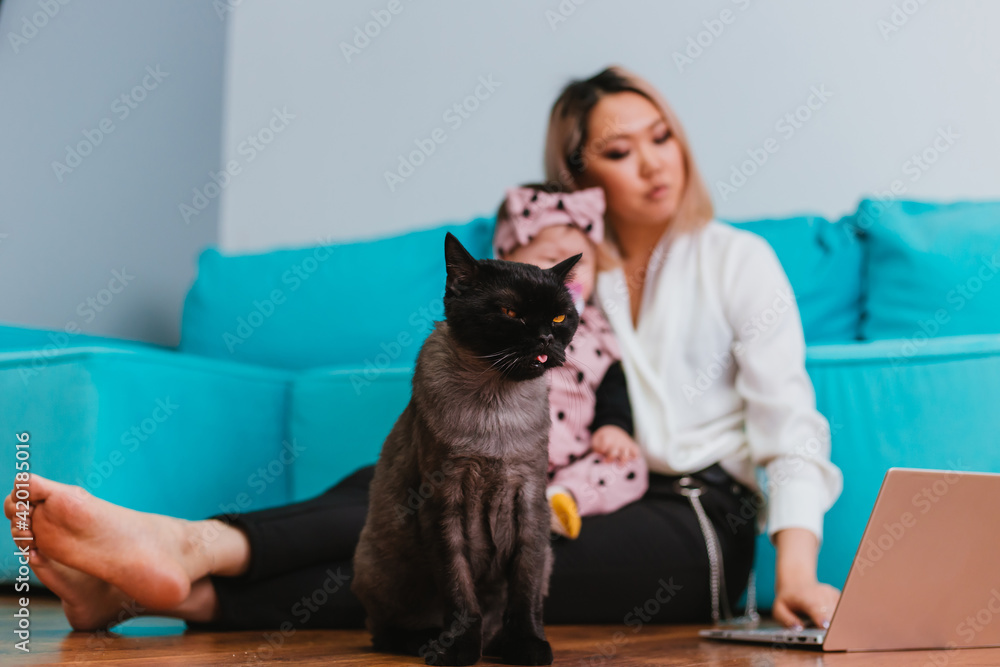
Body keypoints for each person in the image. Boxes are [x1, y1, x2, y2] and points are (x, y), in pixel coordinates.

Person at [4, 64, 842, 637]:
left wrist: (794, 573)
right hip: (551, 480)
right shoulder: (564, 276)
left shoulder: (738, 257)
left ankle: (178, 583)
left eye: (662, 137)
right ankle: (180, 559)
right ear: (580, 173)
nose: (655, 164)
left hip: (688, 521)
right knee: (414, 481)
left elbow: (791, 424)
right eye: (621, 152)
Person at [493, 183, 649, 539]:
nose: (568, 277)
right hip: (507, 453)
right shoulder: (503, 323)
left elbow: (613, 384)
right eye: (551, 260)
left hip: (574, 460)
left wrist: (613, 427)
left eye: (582, 264)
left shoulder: (596, 330)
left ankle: (561, 501)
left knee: (630, 467)